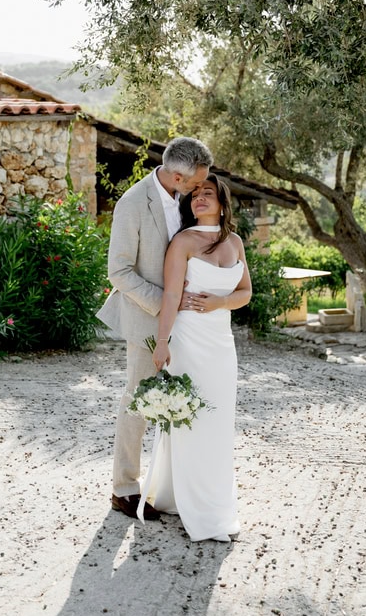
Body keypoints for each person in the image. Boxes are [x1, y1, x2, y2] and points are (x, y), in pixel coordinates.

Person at [97, 137, 214, 520]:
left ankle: (172, 486)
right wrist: (166, 304)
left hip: (190, 323)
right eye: (197, 183)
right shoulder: (132, 204)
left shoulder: (184, 198)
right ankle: (124, 488)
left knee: (185, 401)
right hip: (147, 319)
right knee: (139, 401)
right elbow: (119, 271)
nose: (201, 190)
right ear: (178, 176)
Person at [145, 174, 252, 541]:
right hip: (189, 339)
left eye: (208, 194)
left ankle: (212, 502)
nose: (199, 199)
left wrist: (221, 301)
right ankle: (194, 506)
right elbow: (172, 295)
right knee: (192, 418)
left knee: (219, 421)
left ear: (222, 202)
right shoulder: (183, 242)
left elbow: (245, 292)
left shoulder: (234, 242)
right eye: (195, 195)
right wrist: (162, 342)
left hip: (222, 343)